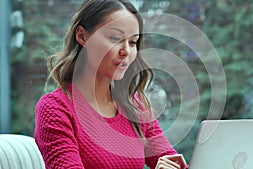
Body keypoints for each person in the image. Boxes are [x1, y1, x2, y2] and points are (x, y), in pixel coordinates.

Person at [34, 0, 187, 168]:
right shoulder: (55, 108)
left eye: (133, 42)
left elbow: (173, 161)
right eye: (115, 38)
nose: (126, 51)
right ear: (82, 36)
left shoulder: (135, 105)